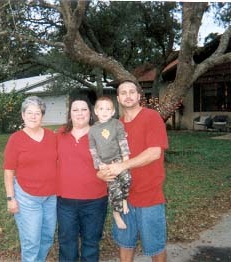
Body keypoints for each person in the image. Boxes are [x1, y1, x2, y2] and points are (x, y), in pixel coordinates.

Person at [98, 80, 168, 262]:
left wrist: (123, 165)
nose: (128, 95)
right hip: (123, 198)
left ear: (139, 96)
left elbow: (154, 152)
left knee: (156, 248)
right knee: (125, 245)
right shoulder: (115, 126)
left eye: (132, 92)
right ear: (118, 98)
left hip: (149, 196)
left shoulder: (152, 117)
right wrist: (104, 171)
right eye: (123, 92)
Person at [3, 96, 57, 262]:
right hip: (27, 198)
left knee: (47, 237)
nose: (33, 116)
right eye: (29, 113)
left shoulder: (52, 136)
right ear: (23, 115)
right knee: (31, 241)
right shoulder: (16, 139)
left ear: (42, 116)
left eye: (37, 113)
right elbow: (8, 171)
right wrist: (11, 198)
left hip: (50, 197)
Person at [56, 94, 108, 262]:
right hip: (65, 201)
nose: (80, 113)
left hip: (95, 201)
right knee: (66, 244)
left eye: (84, 109)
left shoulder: (101, 134)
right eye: (75, 109)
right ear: (69, 113)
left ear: (90, 112)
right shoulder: (60, 134)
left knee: (91, 244)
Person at [88, 96, 131, 230]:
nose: (104, 111)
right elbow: (92, 149)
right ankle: (116, 213)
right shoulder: (92, 130)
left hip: (118, 159)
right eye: (101, 108)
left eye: (108, 109)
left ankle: (124, 199)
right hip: (105, 164)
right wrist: (98, 163)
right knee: (114, 188)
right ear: (96, 111)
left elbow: (122, 140)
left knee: (127, 178)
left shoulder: (117, 124)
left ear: (113, 112)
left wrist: (125, 157)